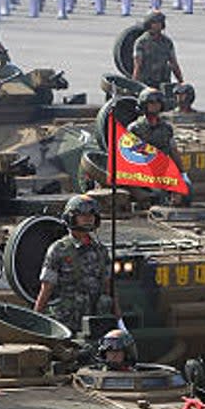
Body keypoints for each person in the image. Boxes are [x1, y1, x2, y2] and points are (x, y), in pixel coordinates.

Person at [34, 193, 112, 335]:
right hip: (66, 322)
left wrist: (117, 317)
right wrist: (36, 319)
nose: (88, 218)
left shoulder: (101, 250)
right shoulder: (59, 250)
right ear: (71, 217)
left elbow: (108, 286)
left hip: (95, 321)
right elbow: (46, 289)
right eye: (82, 215)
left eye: (91, 214)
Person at [131, 10, 183, 88]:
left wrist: (181, 81)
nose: (159, 25)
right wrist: (134, 85)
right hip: (146, 82)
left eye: (160, 22)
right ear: (149, 24)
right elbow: (138, 66)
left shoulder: (167, 42)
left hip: (163, 81)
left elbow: (174, 63)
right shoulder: (141, 42)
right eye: (155, 23)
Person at [127, 87, 178, 161]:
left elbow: (173, 151)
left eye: (158, 102)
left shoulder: (166, 128)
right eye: (151, 102)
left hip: (161, 166)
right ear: (144, 104)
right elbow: (129, 154)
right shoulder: (135, 128)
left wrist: (181, 171)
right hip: (143, 168)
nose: (156, 105)